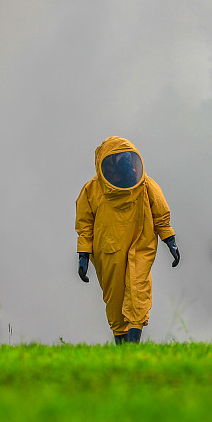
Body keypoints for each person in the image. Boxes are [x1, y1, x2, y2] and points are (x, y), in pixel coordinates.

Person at [76, 136, 180, 344]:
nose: (122, 165)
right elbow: (85, 225)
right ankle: (122, 346)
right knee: (114, 298)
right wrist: (83, 254)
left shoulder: (146, 185)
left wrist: (170, 239)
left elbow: (160, 214)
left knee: (137, 289)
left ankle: (133, 344)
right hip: (108, 249)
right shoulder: (92, 189)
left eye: (125, 159)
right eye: (116, 161)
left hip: (141, 245)